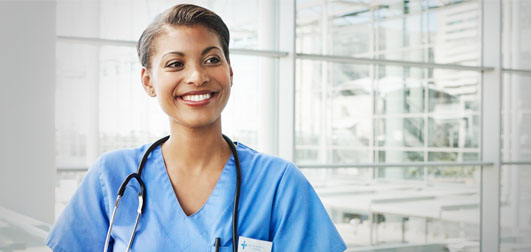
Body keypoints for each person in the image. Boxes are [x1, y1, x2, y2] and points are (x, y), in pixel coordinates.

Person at [45, 4, 346, 252]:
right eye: (175, 64)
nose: (197, 76)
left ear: (229, 71)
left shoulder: (278, 183)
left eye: (211, 59)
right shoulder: (112, 176)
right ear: (148, 81)